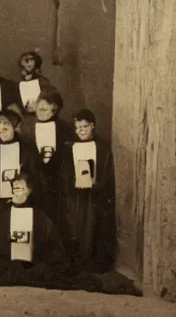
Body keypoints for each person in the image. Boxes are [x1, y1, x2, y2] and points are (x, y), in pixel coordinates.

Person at [0, 172, 77, 289]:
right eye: (14, 188)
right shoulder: (2, 215)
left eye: (20, 189)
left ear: (29, 191)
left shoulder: (41, 218)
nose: (16, 192)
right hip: (8, 260)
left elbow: (53, 246)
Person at [59, 109, 116, 273]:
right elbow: (64, 174)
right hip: (74, 197)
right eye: (78, 128)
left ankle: (90, 263)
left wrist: (95, 183)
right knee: (73, 227)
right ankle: (75, 263)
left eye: (84, 127)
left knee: (91, 228)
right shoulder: (70, 148)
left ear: (92, 126)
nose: (81, 131)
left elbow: (106, 174)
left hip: (93, 196)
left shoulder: (103, 150)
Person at [0, 110, 39, 220]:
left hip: (22, 199)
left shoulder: (27, 149)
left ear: (14, 127)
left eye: (5, 129)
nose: (1, 134)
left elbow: (33, 174)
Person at [20, 88, 70, 224]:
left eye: (51, 110)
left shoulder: (64, 128)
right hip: (34, 179)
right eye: (41, 108)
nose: (45, 113)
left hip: (56, 183)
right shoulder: (26, 127)